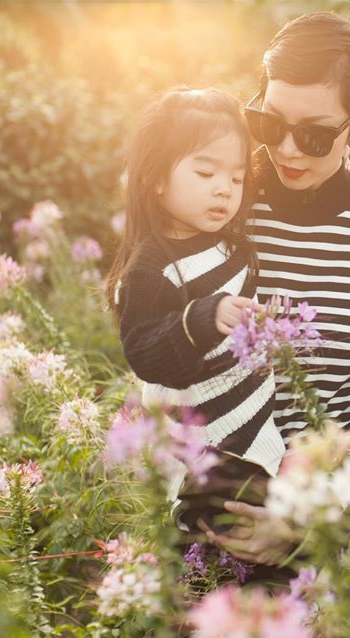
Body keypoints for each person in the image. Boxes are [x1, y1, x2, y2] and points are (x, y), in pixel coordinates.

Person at [200, 12, 350, 567]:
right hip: (200, 508)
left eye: (314, 134)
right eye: (269, 123)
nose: (288, 150)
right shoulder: (220, 205)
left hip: (316, 532)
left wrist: (306, 516)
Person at [104, 88, 286, 532]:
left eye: (237, 178)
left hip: (253, 414)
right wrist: (201, 318)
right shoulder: (150, 268)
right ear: (157, 178)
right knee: (211, 534)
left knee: (263, 520)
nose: (224, 189)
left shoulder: (231, 243)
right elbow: (145, 352)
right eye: (205, 172)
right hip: (200, 435)